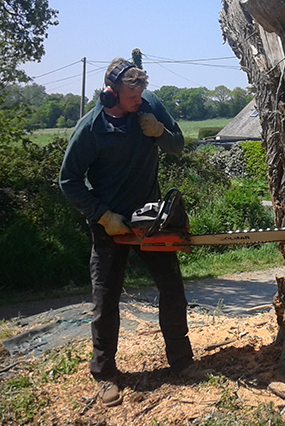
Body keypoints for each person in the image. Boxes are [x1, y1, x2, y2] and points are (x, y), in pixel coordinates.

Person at [59, 57, 204, 407]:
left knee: (171, 288)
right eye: (131, 95)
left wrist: (161, 133)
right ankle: (106, 374)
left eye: (141, 91)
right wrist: (102, 215)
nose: (139, 99)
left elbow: (178, 145)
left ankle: (182, 362)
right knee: (105, 300)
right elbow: (69, 180)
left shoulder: (149, 104)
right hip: (108, 224)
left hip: (150, 218)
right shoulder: (92, 128)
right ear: (111, 95)